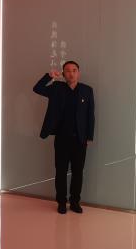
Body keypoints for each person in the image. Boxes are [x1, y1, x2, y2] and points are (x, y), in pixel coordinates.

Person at [33, 60, 95, 214]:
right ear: (63, 73)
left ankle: (75, 202)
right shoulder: (57, 88)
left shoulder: (87, 90)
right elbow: (37, 88)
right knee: (60, 171)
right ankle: (61, 202)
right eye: (67, 71)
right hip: (61, 138)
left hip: (80, 139)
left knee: (78, 172)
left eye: (74, 70)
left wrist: (89, 136)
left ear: (78, 73)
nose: (71, 73)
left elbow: (90, 115)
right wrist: (49, 76)